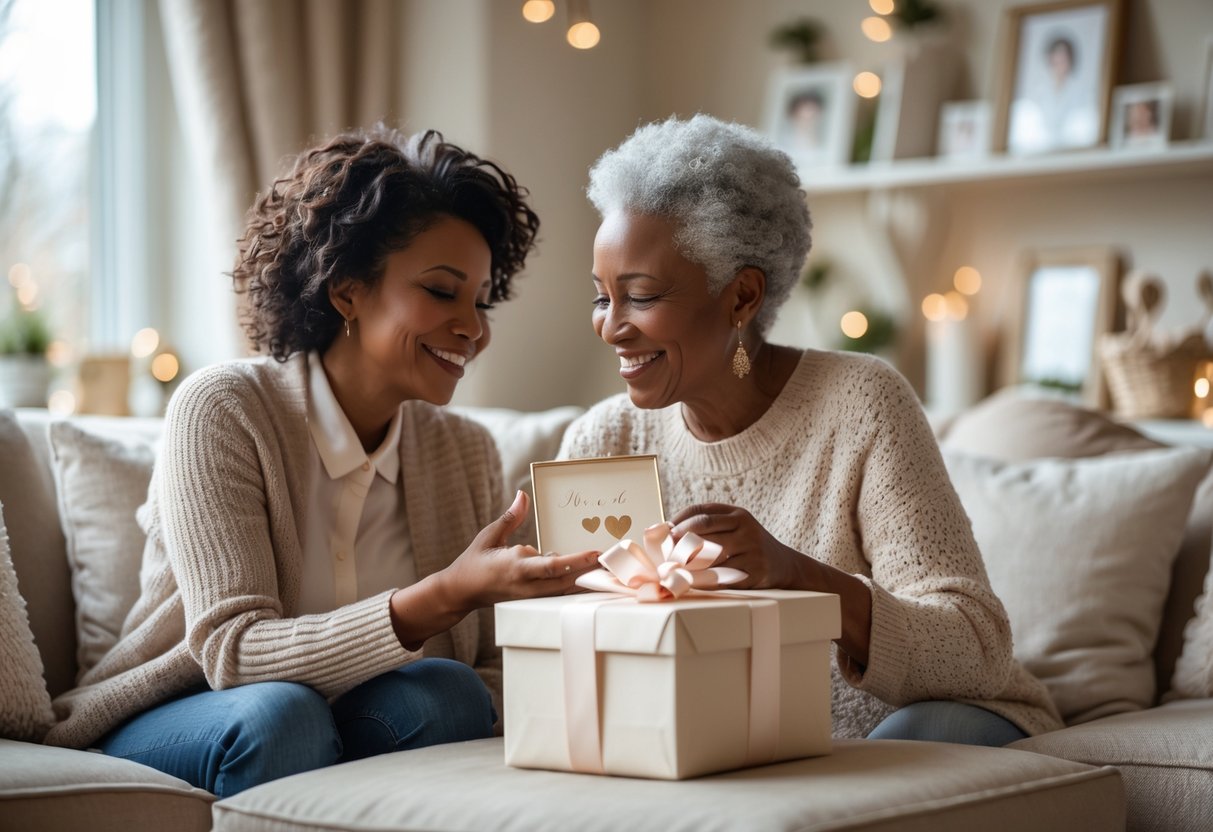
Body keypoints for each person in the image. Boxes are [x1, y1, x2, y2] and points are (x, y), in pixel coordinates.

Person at [43, 126, 598, 796]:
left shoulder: (463, 449)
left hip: (349, 718)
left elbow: (483, 673)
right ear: (346, 292)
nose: (473, 327)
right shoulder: (224, 409)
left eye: (481, 301)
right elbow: (232, 652)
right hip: (185, 711)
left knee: (444, 692)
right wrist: (446, 593)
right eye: (442, 291)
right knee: (284, 716)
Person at [562, 114, 1064, 746]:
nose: (610, 326)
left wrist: (796, 575)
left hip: (921, 729)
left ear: (742, 297)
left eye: (640, 296)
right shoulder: (602, 443)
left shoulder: (861, 404)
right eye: (602, 297)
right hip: (719, 753)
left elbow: (975, 645)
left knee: (902, 746)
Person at [1009, 33, 1098, 153]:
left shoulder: (1082, 91)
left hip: (1071, 149)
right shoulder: (1038, 91)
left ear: (1070, 60)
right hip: (1043, 150)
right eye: (1056, 58)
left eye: (1063, 58)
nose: (1060, 62)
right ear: (1050, 59)